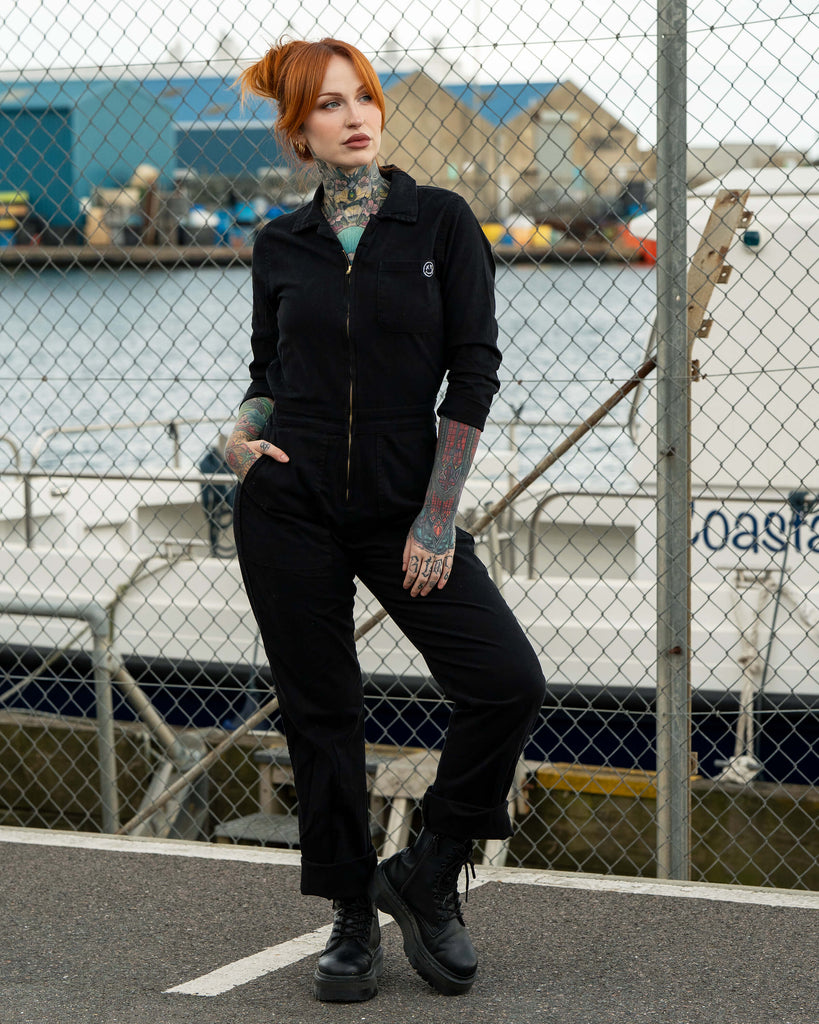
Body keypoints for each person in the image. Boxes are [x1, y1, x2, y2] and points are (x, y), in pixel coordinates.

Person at [226, 38, 545, 1003]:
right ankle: (350, 914)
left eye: (361, 97)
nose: (355, 116)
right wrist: (241, 434)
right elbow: (266, 374)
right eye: (329, 105)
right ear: (299, 132)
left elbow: (473, 371)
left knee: (504, 682)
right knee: (322, 711)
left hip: (407, 503)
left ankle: (430, 870)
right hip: (289, 503)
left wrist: (436, 519)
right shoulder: (281, 243)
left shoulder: (439, 221)